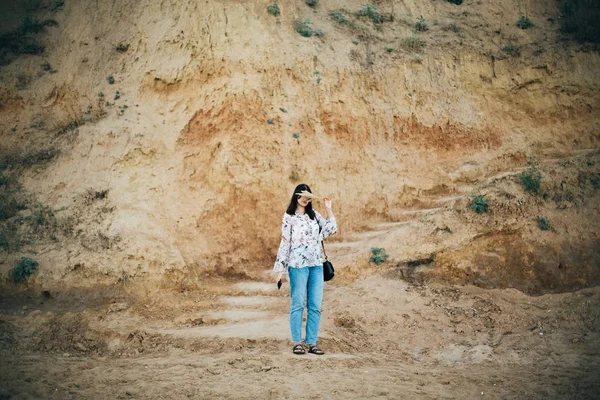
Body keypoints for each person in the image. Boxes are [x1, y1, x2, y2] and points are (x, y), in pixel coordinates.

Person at [273, 183, 337, 355]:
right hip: (297, 266)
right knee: (298, 304)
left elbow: (331, 229)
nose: (305, 200)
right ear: (296, 196)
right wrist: (280, 270)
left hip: (316, 265)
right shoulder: (289, 217)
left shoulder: (314, 215)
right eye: (302, 196)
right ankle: (297, 343)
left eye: (308, 197)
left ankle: (312, 343)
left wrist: (328, 209)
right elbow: (285, 243)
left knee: (315, 305)